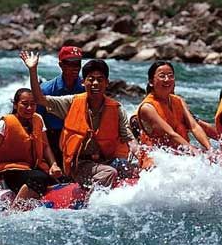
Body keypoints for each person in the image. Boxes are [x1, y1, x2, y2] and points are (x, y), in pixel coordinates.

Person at [21, 51, 139, 188]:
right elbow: (39, 99)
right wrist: (33, 70)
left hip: (106, 160)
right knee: (109, 173)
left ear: (107, 83)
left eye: (100, 80)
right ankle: (90, 204)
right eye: (91, 79)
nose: (95, 83)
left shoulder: (117, 108)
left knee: (133, 169)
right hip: (79, 164)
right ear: (83, 82)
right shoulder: (71, 102)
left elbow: (130, 140)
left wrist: (143, 158)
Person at [0, 88, 62, 209]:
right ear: (16, 105)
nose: (29, 108)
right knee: (39, 177)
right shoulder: (5, 123)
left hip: (30, 169)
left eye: (33, 105)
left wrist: (53, 165)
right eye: (25, 104)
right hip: (9, 170)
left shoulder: (38, 119)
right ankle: (15, 211)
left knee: (59, 177)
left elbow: (46, 146)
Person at [133, 61, 211, 166]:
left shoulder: (178, 101)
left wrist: (210, 150)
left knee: (209, 159)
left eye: (170, 76)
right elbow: (171, 134)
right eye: (162, 76)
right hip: (158, 158)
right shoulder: (147, 108)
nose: (167, 79)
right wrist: (193, 151)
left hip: (181, 152)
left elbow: (194, 126)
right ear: (151, 82)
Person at [38, 46, 85, 166]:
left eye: (77, 64)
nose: (75, 68)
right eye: (70, 64)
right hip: (52, 138)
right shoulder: (46, 90)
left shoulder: (85, 87)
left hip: (79, 137)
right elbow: (37, 122)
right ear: (61, 65)